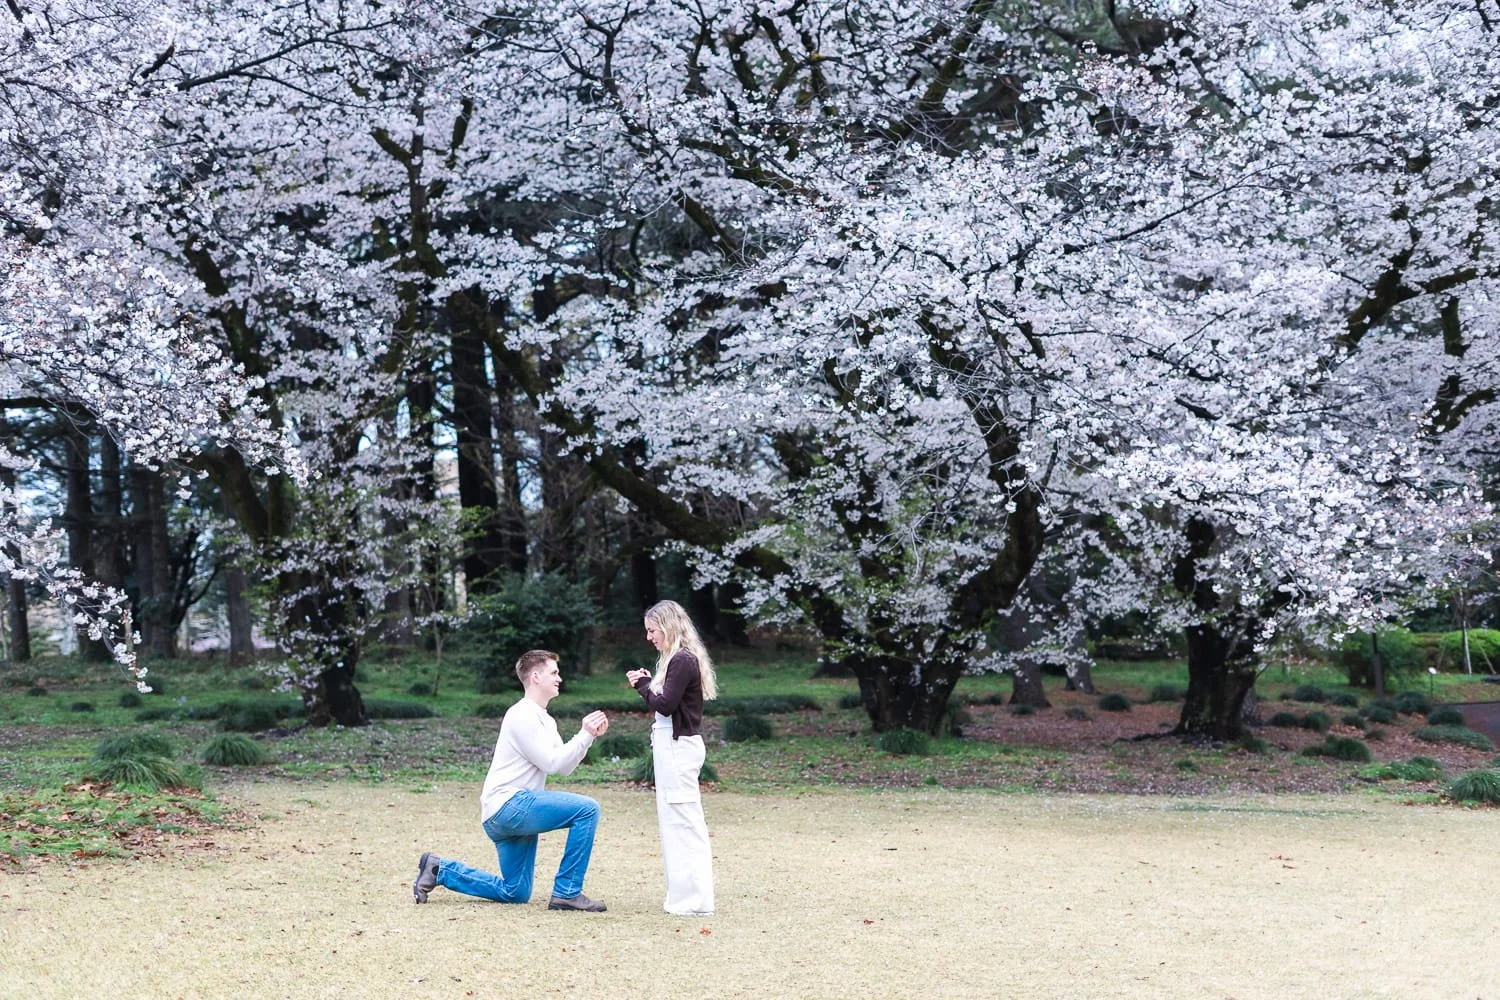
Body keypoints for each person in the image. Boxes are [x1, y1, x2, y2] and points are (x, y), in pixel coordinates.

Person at [413, 649, 610, 911]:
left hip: (507, 813)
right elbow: (552, 763)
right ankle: (567, 891)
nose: (559, 678)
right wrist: (584, 734)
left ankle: (439, 869)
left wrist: (588, 736)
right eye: (554, 672)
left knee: (515, 891)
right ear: (536, 676)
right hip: (510, 807)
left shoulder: (544, 719)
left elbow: (563, 767)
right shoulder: (522, 715)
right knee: (588, 809)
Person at [626, 599, 717, 916]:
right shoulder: (677, 660)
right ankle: (685, 897)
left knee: (684, 823)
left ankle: (695, 900)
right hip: (671, 747)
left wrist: (642, 685)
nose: (649, 637)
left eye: (652, 630)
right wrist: (649, 682)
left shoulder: (681, 661)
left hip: (678, 749)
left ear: (667, 627)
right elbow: (667, 699)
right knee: (676, 823)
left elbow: (664, 705)